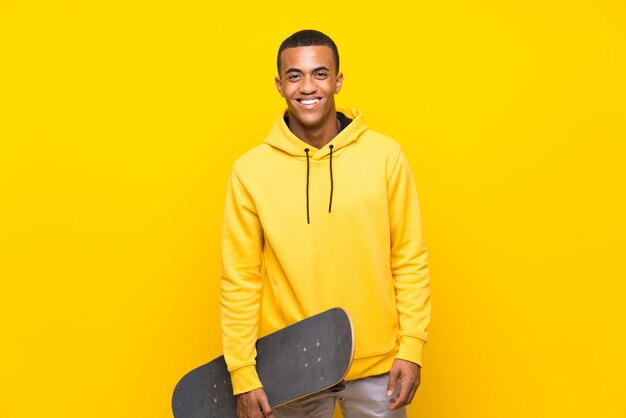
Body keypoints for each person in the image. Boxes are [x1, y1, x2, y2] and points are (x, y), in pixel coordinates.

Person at [220, 29, 431, 418]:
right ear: (280, 86)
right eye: (295, 76)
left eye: (320, 73)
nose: (308, 87)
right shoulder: (251, 171)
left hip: (378, 364)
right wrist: (243, 373)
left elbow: (408, 257)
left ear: (337, 81)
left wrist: (412, 346)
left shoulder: (385, 156)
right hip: (290, 366)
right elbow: (240, 279)